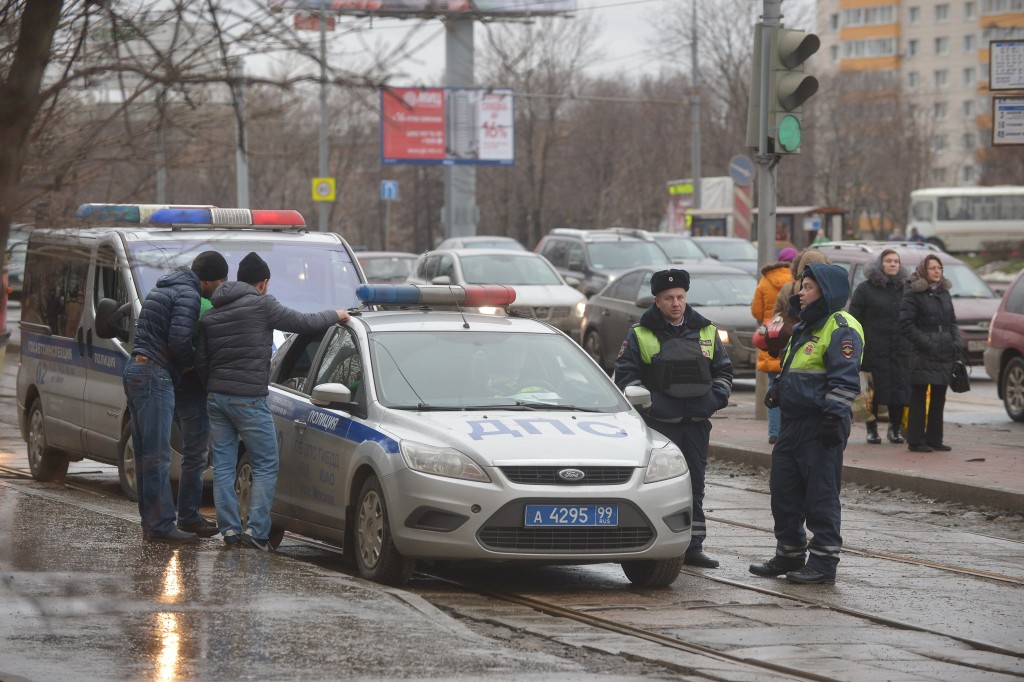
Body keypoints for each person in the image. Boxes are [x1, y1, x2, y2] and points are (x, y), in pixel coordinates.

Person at [196, 252, 350, 549]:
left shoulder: (211, 314)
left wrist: (214, 388)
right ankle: (256, 533)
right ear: (263, 283)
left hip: (217, 398)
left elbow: (201, 360)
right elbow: (303, 322)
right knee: (266, 464)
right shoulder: (262, 305)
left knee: (225, 466)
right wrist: (337, 315)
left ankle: (229, 531)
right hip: (249, 399)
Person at [749, 262, 863, 585]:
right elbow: (793, 365)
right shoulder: (805, 325)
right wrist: (777, 390)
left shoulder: (841, 326)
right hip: (793, 423)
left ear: (826, 292)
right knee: (783, 491)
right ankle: (789, 552)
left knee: (820, 494)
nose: (801, 291)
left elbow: (844, 381)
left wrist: (832, 418)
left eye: (808, 287)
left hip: (820, 425)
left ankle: (824, 561)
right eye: (802, 285)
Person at [615, 269, 734, 569]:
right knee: (657, 485)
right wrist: (652, 404)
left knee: (695, 483)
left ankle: (694, 547)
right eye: (669, 298)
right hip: (659, 425)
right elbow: (626, 378)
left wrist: (712, 401)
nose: (676, 303)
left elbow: (724, 373)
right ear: (656, 301)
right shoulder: (640, 333)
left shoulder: (706, 330)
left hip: (695, 424)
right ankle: (653, 543)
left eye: (680, 297)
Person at [123, 251, 228, 543]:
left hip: (137, 369)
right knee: (157, 456)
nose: (220, 287)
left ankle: (153, 522)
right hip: (155, 374)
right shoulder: (189, 295)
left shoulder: (164, 287)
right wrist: (193, 363)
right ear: (209, 279)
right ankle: (161, 526)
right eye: (220, 281)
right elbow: (179, 340)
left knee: (146, 456)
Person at [849, 249, 911, 445]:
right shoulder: (865, 289)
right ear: (880, 264)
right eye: (888, 261)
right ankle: (871, 429)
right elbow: (854, 319)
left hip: (899, 349)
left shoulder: (906, 289)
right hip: (872, 349)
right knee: (870, 392)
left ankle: (894, 429)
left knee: (898, 390)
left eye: (896, 261)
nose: (893, 264)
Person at [900, 254, 960, 453]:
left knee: (939, 396)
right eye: (933, 268)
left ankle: (935, 438)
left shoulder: (944, 293)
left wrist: (956, 341)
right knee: (918, 396)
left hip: (944, 351)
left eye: (939, 268)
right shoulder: (913, 293)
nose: (937, 271)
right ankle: (916, 440)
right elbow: (907, 324)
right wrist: (927, 342)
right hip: (922, 352)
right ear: (924, 270)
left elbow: (952, 321)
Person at [172, 285, 220, 538]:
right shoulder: (205, 307)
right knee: (196, 455)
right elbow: (198, 349)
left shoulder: (175, 297)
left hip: (173, 384)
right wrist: (198, 368)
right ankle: (188, 516)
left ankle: (178, 515)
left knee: (184, 453)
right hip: (192, 389)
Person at [751, 247, 797, 444]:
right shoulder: (798, 282)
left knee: (773, 388)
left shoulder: (765, 280)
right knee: (793, 390)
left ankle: (774, 432)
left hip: (774, 337)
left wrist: (768, 320)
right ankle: (790, 431)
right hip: (793, 338)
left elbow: (756, 310)